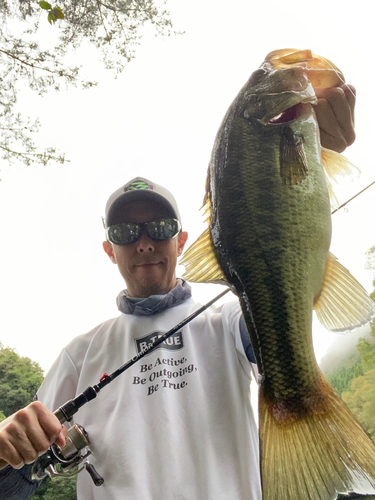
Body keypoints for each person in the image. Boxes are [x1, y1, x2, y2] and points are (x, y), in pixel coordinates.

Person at [0, 85, 356, 500]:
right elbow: (16, 485)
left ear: (183, 240)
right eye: (125, 232)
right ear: (108, 250)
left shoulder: (231, 320)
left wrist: (308, 161)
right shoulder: (79, 355)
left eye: (160, 228)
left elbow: (281, 289)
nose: (145, 242)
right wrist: (6, 450)